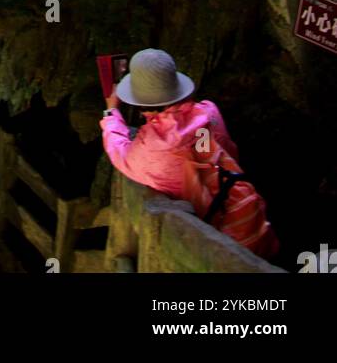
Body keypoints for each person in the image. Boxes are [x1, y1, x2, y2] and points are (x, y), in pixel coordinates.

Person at [100, 47, 278, 260]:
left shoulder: (154, 147)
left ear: (140, 104)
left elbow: (121, 155)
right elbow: (227, 153)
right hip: (253, 220)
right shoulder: (209, 113)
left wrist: (111, 113)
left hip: (217, 242)